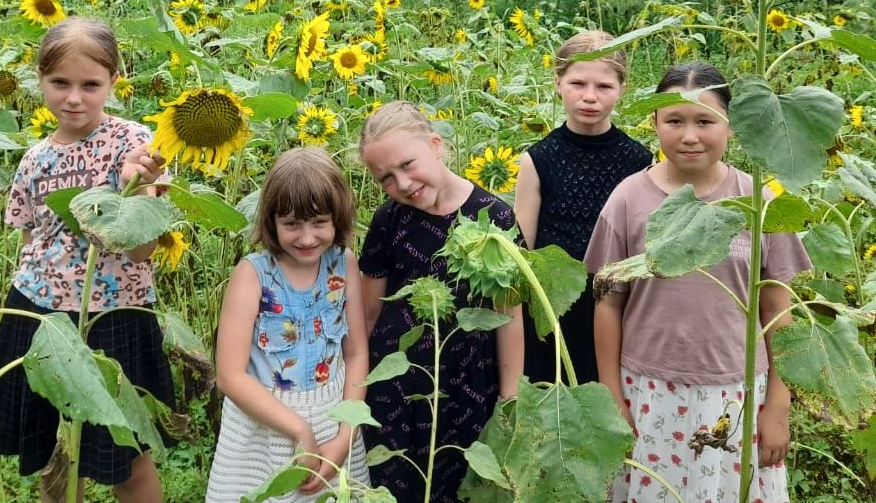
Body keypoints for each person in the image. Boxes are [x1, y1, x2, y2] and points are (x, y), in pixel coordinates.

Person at [585, 63, 810, 503]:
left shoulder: (758, 201)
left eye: (705, 121)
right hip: (648, 390)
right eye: (674, 121)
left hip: (741, 391)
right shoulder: (629, 199)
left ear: (731, 127)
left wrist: (779, 405)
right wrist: (611, 395)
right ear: (654, 123)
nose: (689, 136)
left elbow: (780, 312)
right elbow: (608, 304)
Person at [0, 17, 173, 503]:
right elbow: (30, 242)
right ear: (40, 81)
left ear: (114, 81)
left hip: (115, 317)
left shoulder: (132, 143)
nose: (74, 98)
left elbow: (141, 248)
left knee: (127, 456)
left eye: (90, 84)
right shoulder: (33, 160)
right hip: (42, 318)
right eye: (59, 83)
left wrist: (136, 186)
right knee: (56, 457)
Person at [358, 102, 525, 503]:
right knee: (397, 482)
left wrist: (509, 397)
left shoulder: (494, 219)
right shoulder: (389, 220)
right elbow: (369, 311)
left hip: (468, 382)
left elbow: (510, 315)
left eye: (407, 164)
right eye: (386, 178)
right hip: (398, 383)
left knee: (461, 484)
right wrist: (358, 383)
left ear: (436, 145)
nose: (402, 183)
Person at [205, 147, 370, 503]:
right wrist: (299, 429)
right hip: (265, 427)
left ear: (337, 218)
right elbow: (230, 375)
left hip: (335, 415)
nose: (307, 237)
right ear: (271, 222)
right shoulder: (253, 275)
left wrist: (347, 435)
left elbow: (356, 353)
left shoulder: (344, 265)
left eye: (319, 222)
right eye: (292, 224)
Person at [513, 29, 650, 384]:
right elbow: (522, 248)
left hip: (618, 302)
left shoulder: (639, 160)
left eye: (604, 87)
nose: (589, 97)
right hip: (553, 309)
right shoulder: (538, 159)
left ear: (622, 88)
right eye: (577, 83)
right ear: (558, 83)